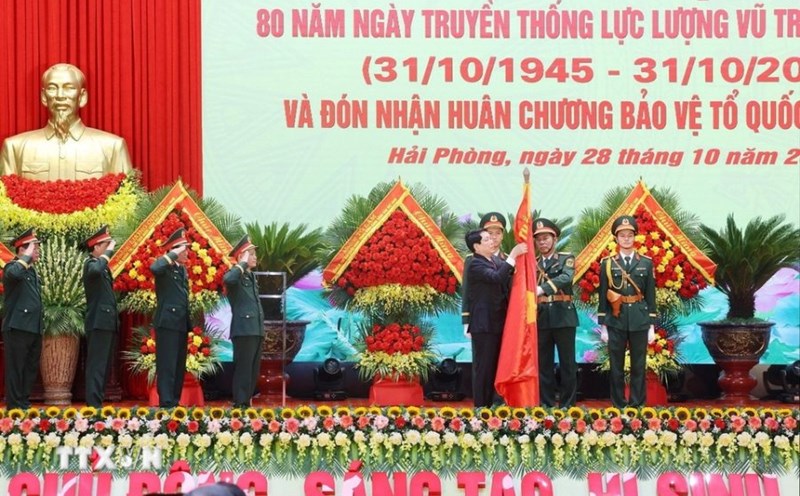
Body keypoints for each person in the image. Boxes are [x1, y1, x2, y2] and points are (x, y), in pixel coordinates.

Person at [1, 63, 132, 181]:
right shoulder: (15, 148)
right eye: (52, 88)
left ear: (82, 97)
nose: (60, 96)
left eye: (69, 88)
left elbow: (127, 201)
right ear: (43, 97)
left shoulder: (112, 147)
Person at [597, 215, 657, 408]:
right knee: (616, 366)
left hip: (639, 318)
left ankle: (637, 405)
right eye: (622, 235)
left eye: (629, 235)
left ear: (635, 237)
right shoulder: (607, 263)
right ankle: (618, 405)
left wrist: (651, 325)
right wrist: (604, 326)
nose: (626, 239)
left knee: (638, 366)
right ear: (616, 238)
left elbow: (650, 295)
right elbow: (603, 295)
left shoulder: (646, 263)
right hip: (616, 319)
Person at [464, 228, 527, 407]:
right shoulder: (475, 264)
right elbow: (498, 277)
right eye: (486, 239)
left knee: (495, 368)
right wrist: (514, 254)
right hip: (484, 325)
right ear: (476, 246)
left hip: (499, 323)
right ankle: (481, 408)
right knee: (484, 369)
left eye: (492, 238)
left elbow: (508, 274)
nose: (492, 241)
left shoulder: (494, 260)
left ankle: (494, 405)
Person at [533, 218, 578, 408]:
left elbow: (566, 277)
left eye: (546, 238)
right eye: (539, 239)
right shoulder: (533, 263)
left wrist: (542, 289)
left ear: (555, 238)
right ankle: (547, 405)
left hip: (563, 315)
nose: (542, 242)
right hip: (541, 317)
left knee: (568, 364)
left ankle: (568, 405)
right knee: (544, 365)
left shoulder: (566, 258)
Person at [2, 228, 43, 409]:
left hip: (33, 327)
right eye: (34, 248)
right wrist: (25, 257)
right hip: (18, 327)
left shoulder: (32, 271)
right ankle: (14, 407)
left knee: (30, 369)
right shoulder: (12, 267)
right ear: (22, 250)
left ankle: (24, 404)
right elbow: (13, 275)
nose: (38, 251)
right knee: (16, 370)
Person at [150, 228, 191, 408]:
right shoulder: (164, 267)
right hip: (167, 322)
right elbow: (154, 267)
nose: (187, 253)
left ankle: (175, 400)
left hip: (181, 322)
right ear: (175, 250)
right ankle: (166, 402)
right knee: (167, 364)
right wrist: (172, 253)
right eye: (184, 249)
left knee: (178, 365)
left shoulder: (181, 270)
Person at [223, 235, 265, 408]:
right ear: (243, 256)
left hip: (255, 328)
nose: (255, 257)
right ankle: (239, 403)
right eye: (252, 254)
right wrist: (241, 263)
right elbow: (228, 280)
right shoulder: (236, 275)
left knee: (253, 370)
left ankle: (246, 401)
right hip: (243, 329)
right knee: (244, 369)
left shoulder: (251, 277)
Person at [82, 225, 119, 408]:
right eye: (106, 244)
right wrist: (109, 252)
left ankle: (98, 401)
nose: (109, 248)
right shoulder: (90, 265)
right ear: (96, 247)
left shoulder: (104, 268)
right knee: (97, 365)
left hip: (107, 322)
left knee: (104, 366)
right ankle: (93, 405)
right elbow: (95, 270)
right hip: (98, 322)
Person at [461, 212, 507, 334]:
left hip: (503, 318)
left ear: (503, 236)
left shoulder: (508, 261)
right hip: (481, 320)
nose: (494, 237)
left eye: (498, 233)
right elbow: (467, 289)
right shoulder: (472, 260)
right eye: (490, 234)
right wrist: (466, 319)